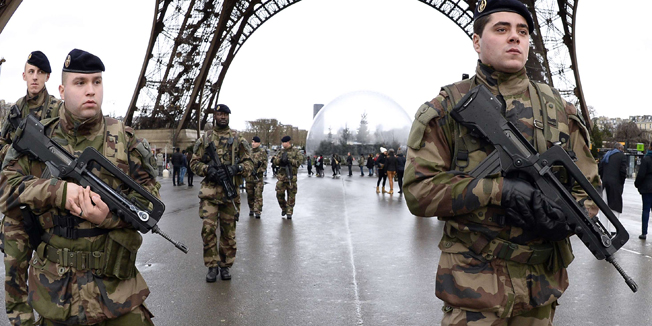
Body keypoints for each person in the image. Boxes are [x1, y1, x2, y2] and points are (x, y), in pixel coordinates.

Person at [402, 1, 599, 324]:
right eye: (501, 29)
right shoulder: (446, 109)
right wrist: (499, 191)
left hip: (539, 287)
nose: (515, 38)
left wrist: (568, 217)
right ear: (477, 41)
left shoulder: (563, 112)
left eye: (522, 31)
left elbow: (589, 191)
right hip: (473, 283)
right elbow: (418, 191)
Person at [0, 49, 159, 325]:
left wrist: (107, 217)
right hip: (56, 299)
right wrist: (59, 192)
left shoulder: (126, 140)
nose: (91, 91)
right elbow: (5, 192)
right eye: (80, 83)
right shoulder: (35, 138)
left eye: (97, 82)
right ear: (61, 89)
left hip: (117, 298)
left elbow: (150, 205)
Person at [0, 50, 63, 326]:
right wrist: (16, 148)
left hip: (49, 205)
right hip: (16, 204)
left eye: (39, 72)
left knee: (54, 276)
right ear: (23, 75)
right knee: (14, 273)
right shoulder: (15, 110)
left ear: (47, 76)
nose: (34, 77)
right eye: (30, 71)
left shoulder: (59, 110)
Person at [190, 104, 253, 282]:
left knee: (228, 233)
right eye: (219, 114)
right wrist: (208, 170)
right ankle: (212, 265)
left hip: (229, 194)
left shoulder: (238, 138)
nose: (222, 117)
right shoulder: (205, 139)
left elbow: (250, 163)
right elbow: (194, 163)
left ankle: (225, 266)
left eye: (225, 114)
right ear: (214, 117)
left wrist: (236, 168)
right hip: (209, 194)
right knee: (208, 230)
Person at [598, 143, 628, 234]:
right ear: (620, 148)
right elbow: (623, 172)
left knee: (604, 205)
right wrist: (621, 183)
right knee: (615, 207)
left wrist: (604, 178)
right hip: (615, 184)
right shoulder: (621, 156)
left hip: (605, 183)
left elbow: (600, 169)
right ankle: (614, 229)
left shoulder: (606, 155)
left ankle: (604, 228)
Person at [272, 136, 303, 219]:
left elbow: (299, 162)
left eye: (284, 142)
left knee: (291, 196)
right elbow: (275, 161)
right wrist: (281, 160)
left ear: (288, 142)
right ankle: (284, 208)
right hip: (282, 177)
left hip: (291, 177)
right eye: (282, 142)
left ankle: (289, 212)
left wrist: (289, 160)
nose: (282, 144)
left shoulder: (296, 151)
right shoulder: (281, 151)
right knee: (279, 194)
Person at [246, 136, 268, 219]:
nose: (253, 144)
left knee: (258, 195)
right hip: (249, 177)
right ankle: (251, 209)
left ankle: (257, 211)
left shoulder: (262, 152)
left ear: (259, 143)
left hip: (258, 178)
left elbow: (265, 165)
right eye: (252, 142)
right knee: (250, 195)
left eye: (255, 142)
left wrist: (258, 171)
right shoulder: (249, 152)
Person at [635, 141, 652, 240]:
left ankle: (644, 233)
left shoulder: (646, 159)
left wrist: (637, 185)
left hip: (647, 188)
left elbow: (641, 174)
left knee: (646, 210)